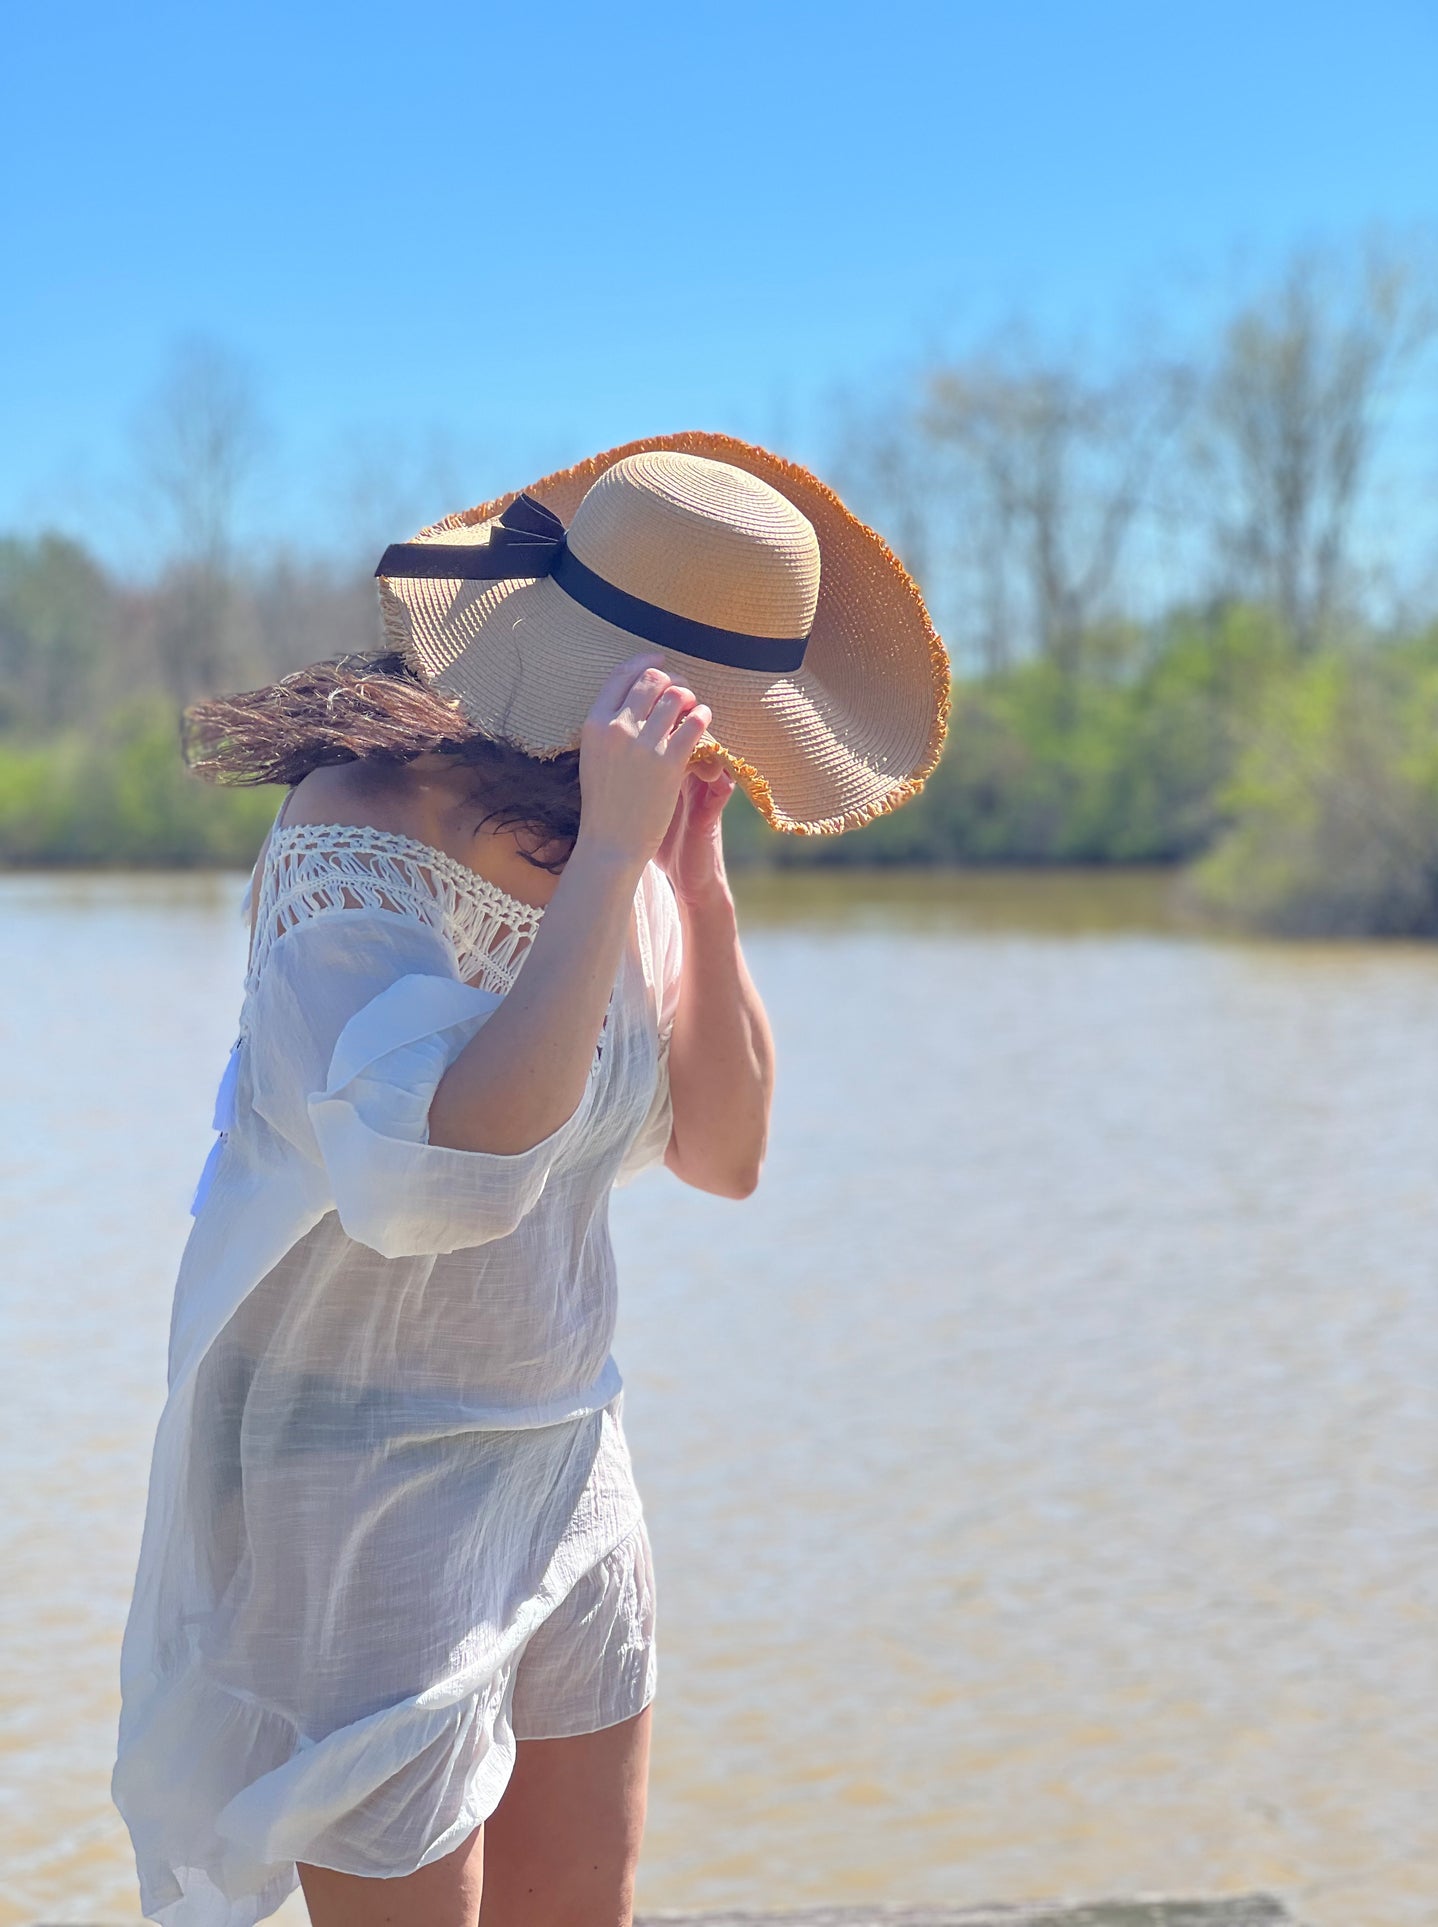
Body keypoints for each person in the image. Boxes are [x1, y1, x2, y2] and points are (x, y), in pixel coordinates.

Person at [111, 434, 949, 1927]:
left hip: (566, 1452)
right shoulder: (356, 841)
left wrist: (687, 878)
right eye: (710, 714)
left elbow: (725, 1154)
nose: (722, 751)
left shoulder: (616, 838)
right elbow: (436, 1180)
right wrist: (619, 857)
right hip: (355, 1482)